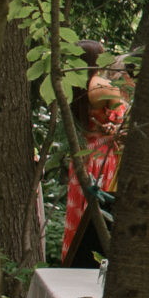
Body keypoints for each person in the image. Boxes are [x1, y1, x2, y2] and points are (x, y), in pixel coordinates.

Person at [61, 71, 129, 264]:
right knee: (103, 203)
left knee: (78, 207)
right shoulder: (104, 87)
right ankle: (101, 256)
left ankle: (75, 257)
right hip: (102, 154)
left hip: (82, 153)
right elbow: (120, 122)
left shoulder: (70, 85)